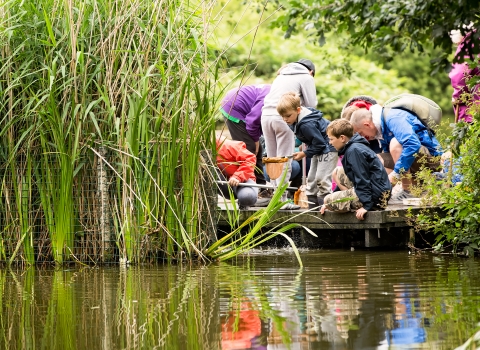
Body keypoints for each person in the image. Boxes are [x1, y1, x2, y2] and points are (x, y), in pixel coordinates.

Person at [349, 106, 442, 202]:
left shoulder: (393, 118)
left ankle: (408, 191)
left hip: (432, 160)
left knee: (395, 143)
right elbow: (387, 157)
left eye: (360, 133)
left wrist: (396, 174)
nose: (363, 137)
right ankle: (388, 191)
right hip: (416, 161)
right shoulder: (381, 127)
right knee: (376, 160)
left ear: (367, 125)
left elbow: (413, 144)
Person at [261, 59, 317, 209]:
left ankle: (275, 199)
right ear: (311, 71)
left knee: (272, 159)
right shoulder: (307, 76)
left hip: (265, 116)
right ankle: (283, 200)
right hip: (283, 117)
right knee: (284, 160)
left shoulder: (281, 75)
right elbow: (311, 104)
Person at [320, 119, 391, 220]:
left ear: (342, 138)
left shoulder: (354, 151)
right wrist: (336, 195)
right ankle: (355, 198)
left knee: (328, 201)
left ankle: (361, 201)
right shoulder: (354, 146)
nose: (330, 143)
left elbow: (363, 179)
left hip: (377, 197)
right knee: (337, 172)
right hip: (373, 189)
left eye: (331, 139)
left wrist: (367, 206)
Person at [277, 92, 338, 207]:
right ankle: (313, 207)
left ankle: (326, 206)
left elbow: (320, 143)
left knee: (322, 178)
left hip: (328, 148)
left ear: (298, 110)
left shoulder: (306, 124)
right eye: (282, 116)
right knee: (312, 178)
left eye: (288, 116)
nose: (285, 119)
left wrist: (304, 153)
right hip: (318, 148)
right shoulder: (295, 120)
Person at [220, 84, 271, 185]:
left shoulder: (276, 93)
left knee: (258, 148)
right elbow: (252, 121)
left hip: (242, 108)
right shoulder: (270, 97)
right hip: (233, 107)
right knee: (249, 149)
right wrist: (256, 140)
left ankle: (261, 186)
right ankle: (249, 187)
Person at [216, 138, 258, 210]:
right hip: (224, 184)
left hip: (243, 181)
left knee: (247, 197)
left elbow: (250, 158)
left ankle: (243, 204)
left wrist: (237, 177)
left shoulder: (227, 145)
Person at [449, 29, 479, 123]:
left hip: (474, 106)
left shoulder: (469, 41)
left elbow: (460, 74)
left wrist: (457, 96)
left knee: (469, 133)